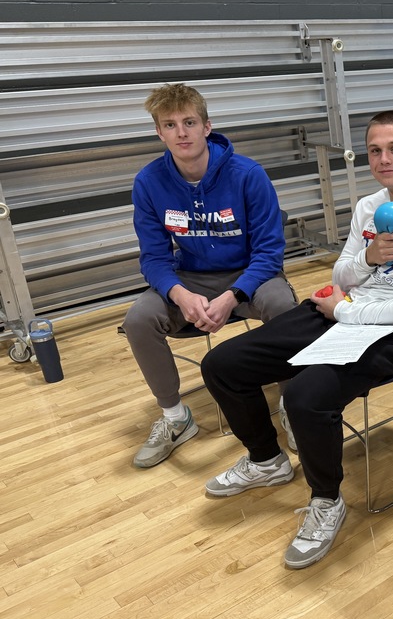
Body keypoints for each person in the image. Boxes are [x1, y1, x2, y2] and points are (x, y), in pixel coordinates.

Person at [201, 110, 393, 569]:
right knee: (222, 364)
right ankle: (266, 460)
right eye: (375, 150)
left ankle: (326, 500)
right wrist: (368, 255)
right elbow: (340, 272)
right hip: (343, 310)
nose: (384, 159)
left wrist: (344, 309)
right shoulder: (368, 207)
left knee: (305, 396)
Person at [123, 83, 296, 469]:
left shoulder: (248, 175)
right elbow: (153, 259)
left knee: (285, 306)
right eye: (170, 125)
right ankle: (174, 418)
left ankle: (292, 402)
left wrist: (233, 296)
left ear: (206, 126)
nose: (181, 132)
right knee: (138, 319)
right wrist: (180, 295)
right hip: (192, 279)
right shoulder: (148, 183)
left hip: (251, 275)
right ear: (159, 132)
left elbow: (270, 252)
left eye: (189, 122)